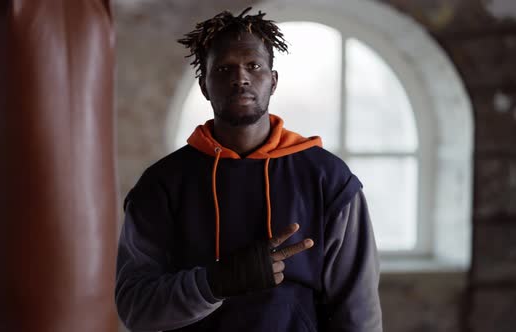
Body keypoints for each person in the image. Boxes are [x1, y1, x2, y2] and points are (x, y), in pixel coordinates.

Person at [115, 7, 382, 332]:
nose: (240, 77)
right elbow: (136, 309)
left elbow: (357, 311)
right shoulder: (161, 185)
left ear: (273, 80)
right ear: (204, 85)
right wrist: (216, 282)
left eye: (253, 66)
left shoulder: (328, 178)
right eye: (224, 68)